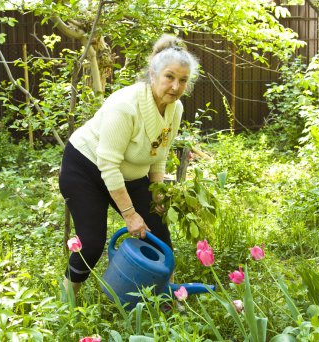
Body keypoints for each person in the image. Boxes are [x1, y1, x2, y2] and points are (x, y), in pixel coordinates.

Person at [59, 34, 200, 297]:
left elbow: (159, 151)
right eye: (169, 77)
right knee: (90, 243)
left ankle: (165, 299)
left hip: (131, 173)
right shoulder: (125, 106)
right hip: (86, 168)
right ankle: (67, 302)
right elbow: (108, 166)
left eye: (182, 80)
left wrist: (157, 190)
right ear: (153, 74)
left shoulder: (175, 108)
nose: (175, 86)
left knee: (159, 238)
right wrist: (130, 214)